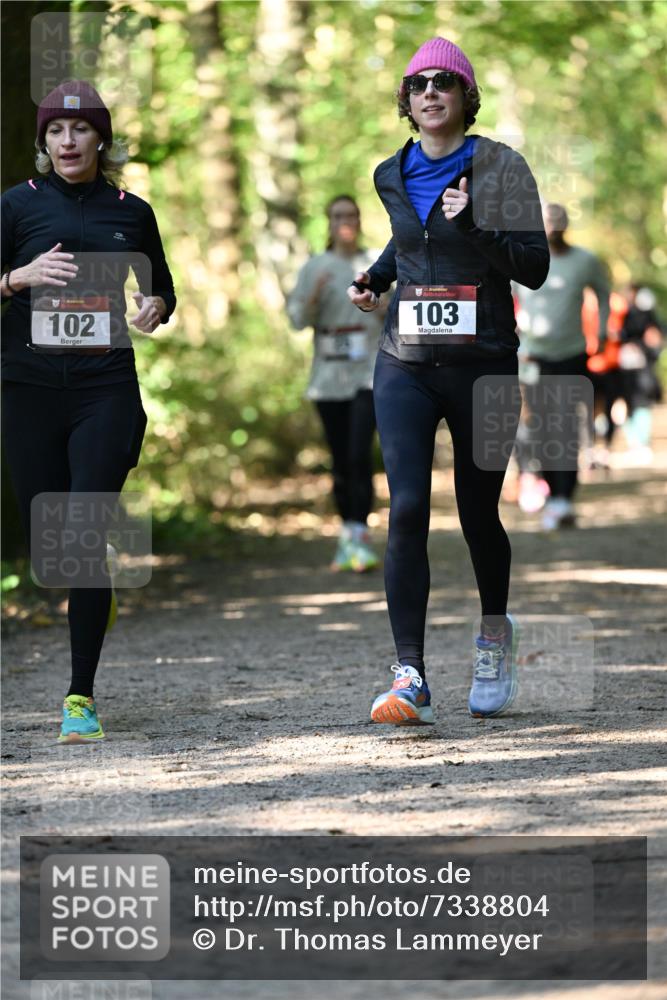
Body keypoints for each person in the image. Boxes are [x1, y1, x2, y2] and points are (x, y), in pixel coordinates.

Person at [346, 37, 549, 724]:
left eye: (444, 82)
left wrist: (481, 227)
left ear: (464, 97)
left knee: (476, 513)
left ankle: (493, 635)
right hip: (404, 361)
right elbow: (410, 243)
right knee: (404, 508)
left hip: (483, 364)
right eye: (417, 83)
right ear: (405, 101)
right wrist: (374, 278)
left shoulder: (500, 166)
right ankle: (410, 674)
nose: (430, 91)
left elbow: (534, 266)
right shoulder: (388, 172)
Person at [1, 80, 176, 743]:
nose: (68, 141)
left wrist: (154, 307)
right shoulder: (17, 206)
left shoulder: (131, 210)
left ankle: (80, 695)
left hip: (105, 387)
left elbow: (161, 289)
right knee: (52, 537)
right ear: (44, 143)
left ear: (100, 138)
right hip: (30, 388)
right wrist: (18, 278)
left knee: (83, 534)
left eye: (80, 130)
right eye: (56, 131)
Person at [287, 195, 383, 572]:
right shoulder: (315, 266)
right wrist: (314, 295)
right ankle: (348, 534)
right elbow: (296, 319)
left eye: (352, 214)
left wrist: (383, 304)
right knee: (341, 458)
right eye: (338, 215)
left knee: (360, 453)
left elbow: (397, 309)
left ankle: (360, 534)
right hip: (327, 377)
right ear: (328, 222)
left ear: (360, 219)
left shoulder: (375, 262)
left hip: (369, 370)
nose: (346, 220)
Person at [513, 203, 610, 529]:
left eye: (557, 220)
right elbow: (504, 296)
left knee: (567, 427)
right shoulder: (523, 258)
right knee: (540, 429)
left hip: (571, 355)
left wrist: (601, 333)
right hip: (533, 358)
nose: (552, 226)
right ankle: (553, 495)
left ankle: (565, 499)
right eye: (545, 221)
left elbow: (604, 293)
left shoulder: (585, 260)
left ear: (566, 224)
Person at [617, 283, 663, 463]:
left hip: (643, 368)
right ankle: (634, 443)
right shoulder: (624, 314)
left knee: (642, 404)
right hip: (627, 367)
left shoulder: (646, 316)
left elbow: (654, 339)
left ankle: (641, 443)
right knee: (629, 403)